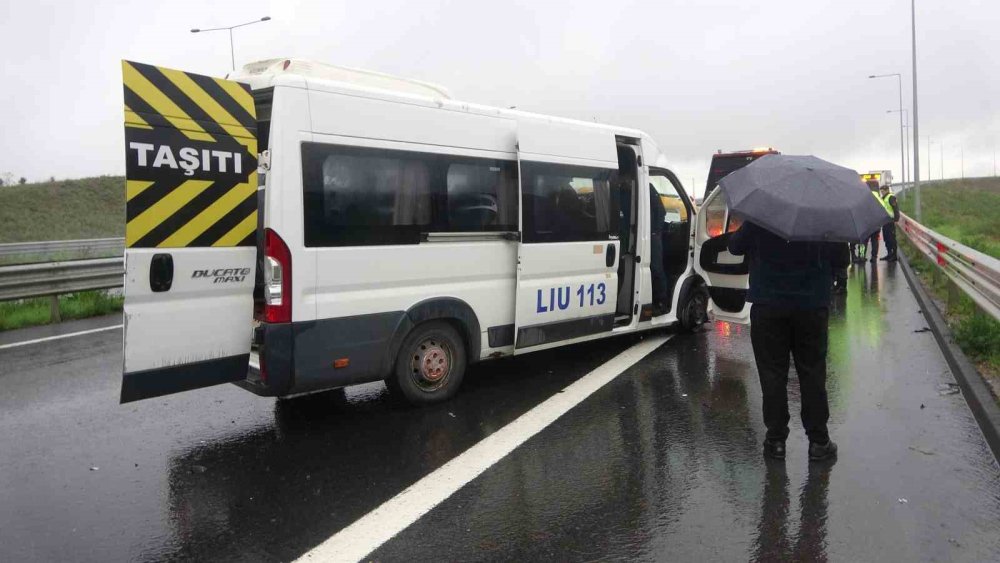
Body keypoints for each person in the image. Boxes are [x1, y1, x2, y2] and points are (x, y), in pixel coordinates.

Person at [728, 221, 849, 461]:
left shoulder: (763, 214)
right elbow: (842, 259)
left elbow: (734, 246)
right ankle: (819, 441)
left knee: (772, 374)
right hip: (812, 306)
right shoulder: (824, 217)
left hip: (768, 305)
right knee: (813, 373)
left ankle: (775, 442)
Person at [648, 184, 669, 315]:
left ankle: (660, 302)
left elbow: (661, 211)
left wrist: (655, 231)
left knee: (656, 269)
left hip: (651, 235)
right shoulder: (620, 188)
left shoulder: (647, 187)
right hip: (636, 235)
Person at [879, 185, 900, 261]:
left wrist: (896, 220)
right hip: (885, 221)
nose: (882, 193)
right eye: (881, 191)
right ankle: (889, 254)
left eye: (883, 191)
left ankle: (894, 255)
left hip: (890, 221)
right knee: (886, 239)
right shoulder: (883, 198)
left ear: (887, 190)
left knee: (891, 239)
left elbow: (895, 209)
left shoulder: (891, 197)